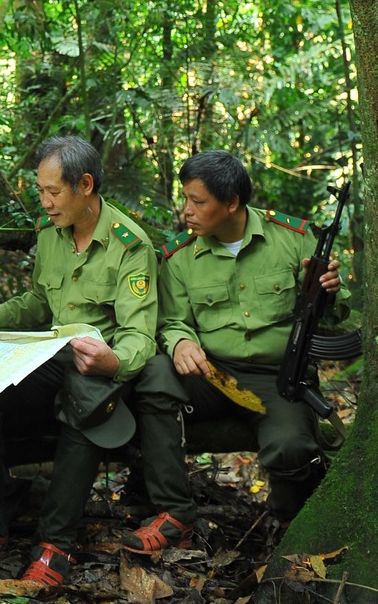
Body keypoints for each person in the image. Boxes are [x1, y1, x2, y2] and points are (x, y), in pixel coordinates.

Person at [0, 136, 158, 588]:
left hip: (101, 367)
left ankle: (55, 544)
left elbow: (139, 334)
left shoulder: (130, 245)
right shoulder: (50, 231)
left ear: (85, 185)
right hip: (51, 354)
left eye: (53, 192)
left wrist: (113, 361)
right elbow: (39, 301)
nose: (44, 202)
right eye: (40, 191)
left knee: (84, 405)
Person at [123, 150, 348, 555]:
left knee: (291, 447)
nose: (187, 210)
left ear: (231, 203)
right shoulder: (180, 256)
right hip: (210, 373)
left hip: (277, 377)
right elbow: (171, 321)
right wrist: (181, 342)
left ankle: (289, 521)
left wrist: (329, 290)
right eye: (186, 199)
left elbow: (335, 311)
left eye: (198, 201)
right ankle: (174, 515)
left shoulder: (293, 238)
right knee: (155, 373)